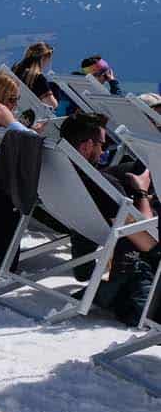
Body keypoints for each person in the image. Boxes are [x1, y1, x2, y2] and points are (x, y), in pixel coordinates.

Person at [57, 111, 157, 325]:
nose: (103, 151)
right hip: (138, 236)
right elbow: (148, 240)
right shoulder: (105, 187)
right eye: (101, 144)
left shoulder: (61, 172)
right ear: (86, 146)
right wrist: (142, 192)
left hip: (86, 221)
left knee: (136, 167)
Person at [13, 42, 59, 109]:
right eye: (48, 60)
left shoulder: (15, 69)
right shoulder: (38, 78)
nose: (48, 63)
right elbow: (52, 105)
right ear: (43, 59)